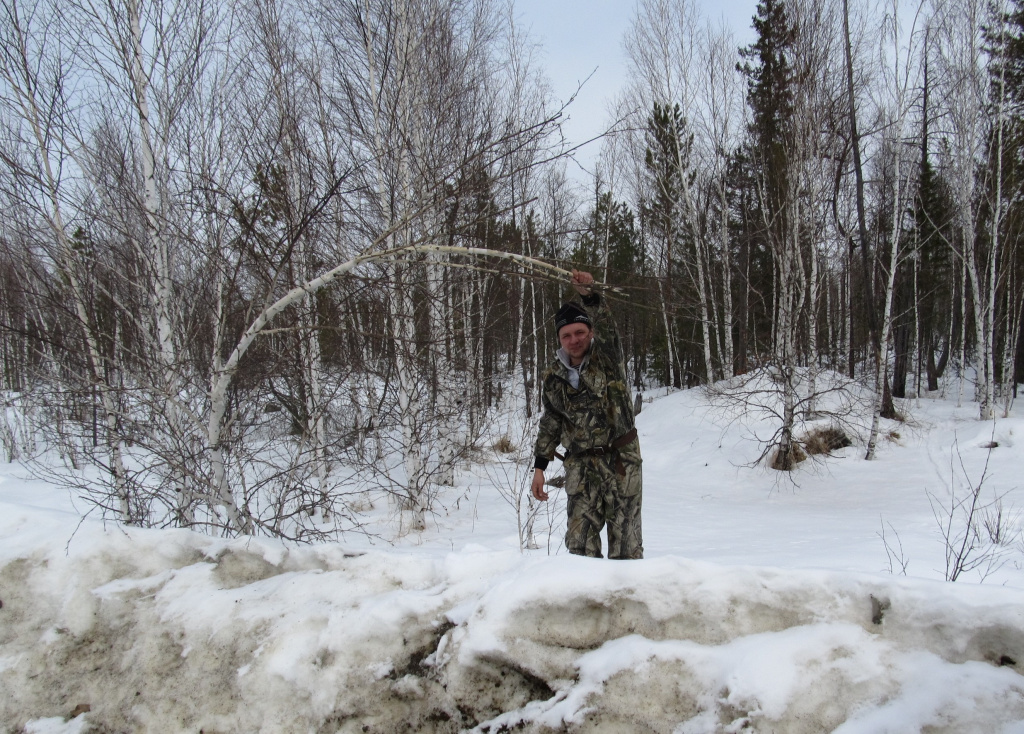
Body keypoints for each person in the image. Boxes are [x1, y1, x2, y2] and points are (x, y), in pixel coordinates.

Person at [530, 270, 643, 559]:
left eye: (580, 332)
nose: (574, 339)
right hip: (580, 467)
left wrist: (589, 296)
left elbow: (607, 325)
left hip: (620, 462)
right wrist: (540, 466)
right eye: (566, 335)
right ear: (559, 339)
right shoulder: (554, 376)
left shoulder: (608, 358)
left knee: (626, 548)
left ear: (590, 332)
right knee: (580, 550)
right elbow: (551, 420)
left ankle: (624, 603)